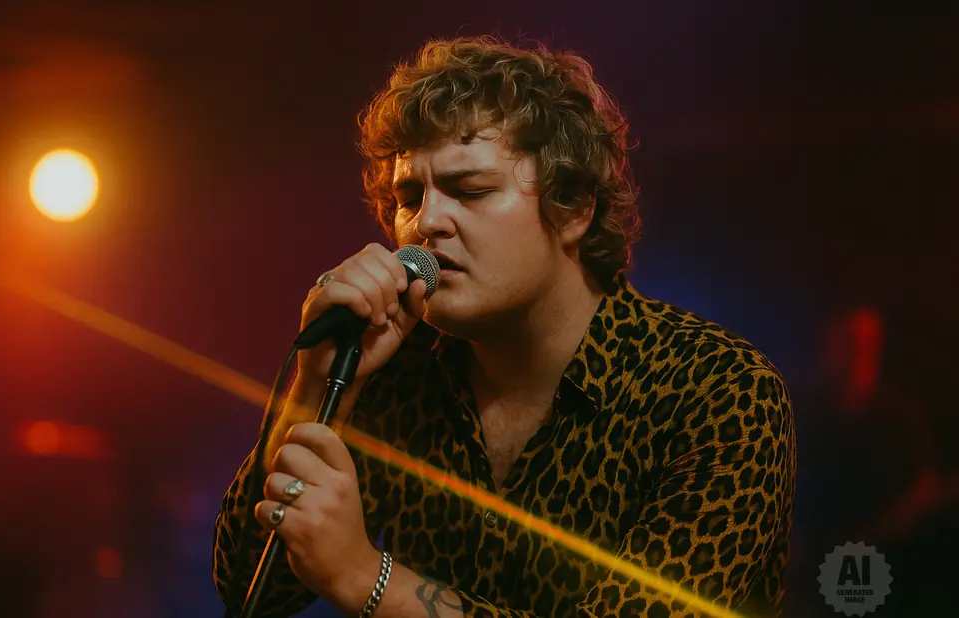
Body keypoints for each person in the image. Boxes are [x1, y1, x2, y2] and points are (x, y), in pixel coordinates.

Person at [213, 35, 796, 618]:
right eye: (409, 196)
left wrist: (368, 577)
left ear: (573, 208)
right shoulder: (397, 366)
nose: (428, 222)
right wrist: (317, 384)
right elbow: (251, 590)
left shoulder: (719, 391)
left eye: (471, 190)